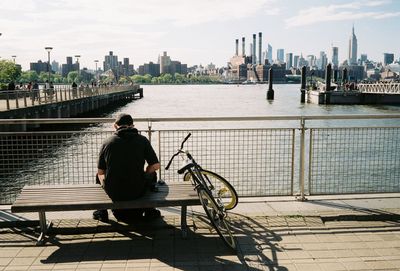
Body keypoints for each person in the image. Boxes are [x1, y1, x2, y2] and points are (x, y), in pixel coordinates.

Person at [93, 113, 161, 223]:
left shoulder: (107, 142)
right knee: (152, 174)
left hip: (115, 193)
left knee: (98, 176)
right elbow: (155, 165)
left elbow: (100, 172)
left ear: (115, 126)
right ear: (133, 126)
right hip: (137, 191)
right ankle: (150, 210)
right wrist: (145, 173)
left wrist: (104, 181)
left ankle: (102, 211)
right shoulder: (142, 140)